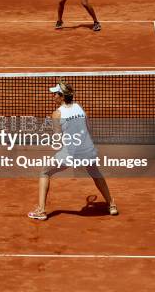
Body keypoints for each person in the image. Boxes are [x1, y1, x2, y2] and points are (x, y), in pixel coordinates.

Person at [27, 81, 118, 221]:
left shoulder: (57, 114)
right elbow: (88, 128)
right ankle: (111, 205)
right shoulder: (79, 107)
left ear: (62, 96)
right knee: (95, 173)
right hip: (88, 150)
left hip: (71, 154)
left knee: (45, 171)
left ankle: (41, 211)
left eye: (55, 94)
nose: (53, 96)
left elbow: (57, 137)